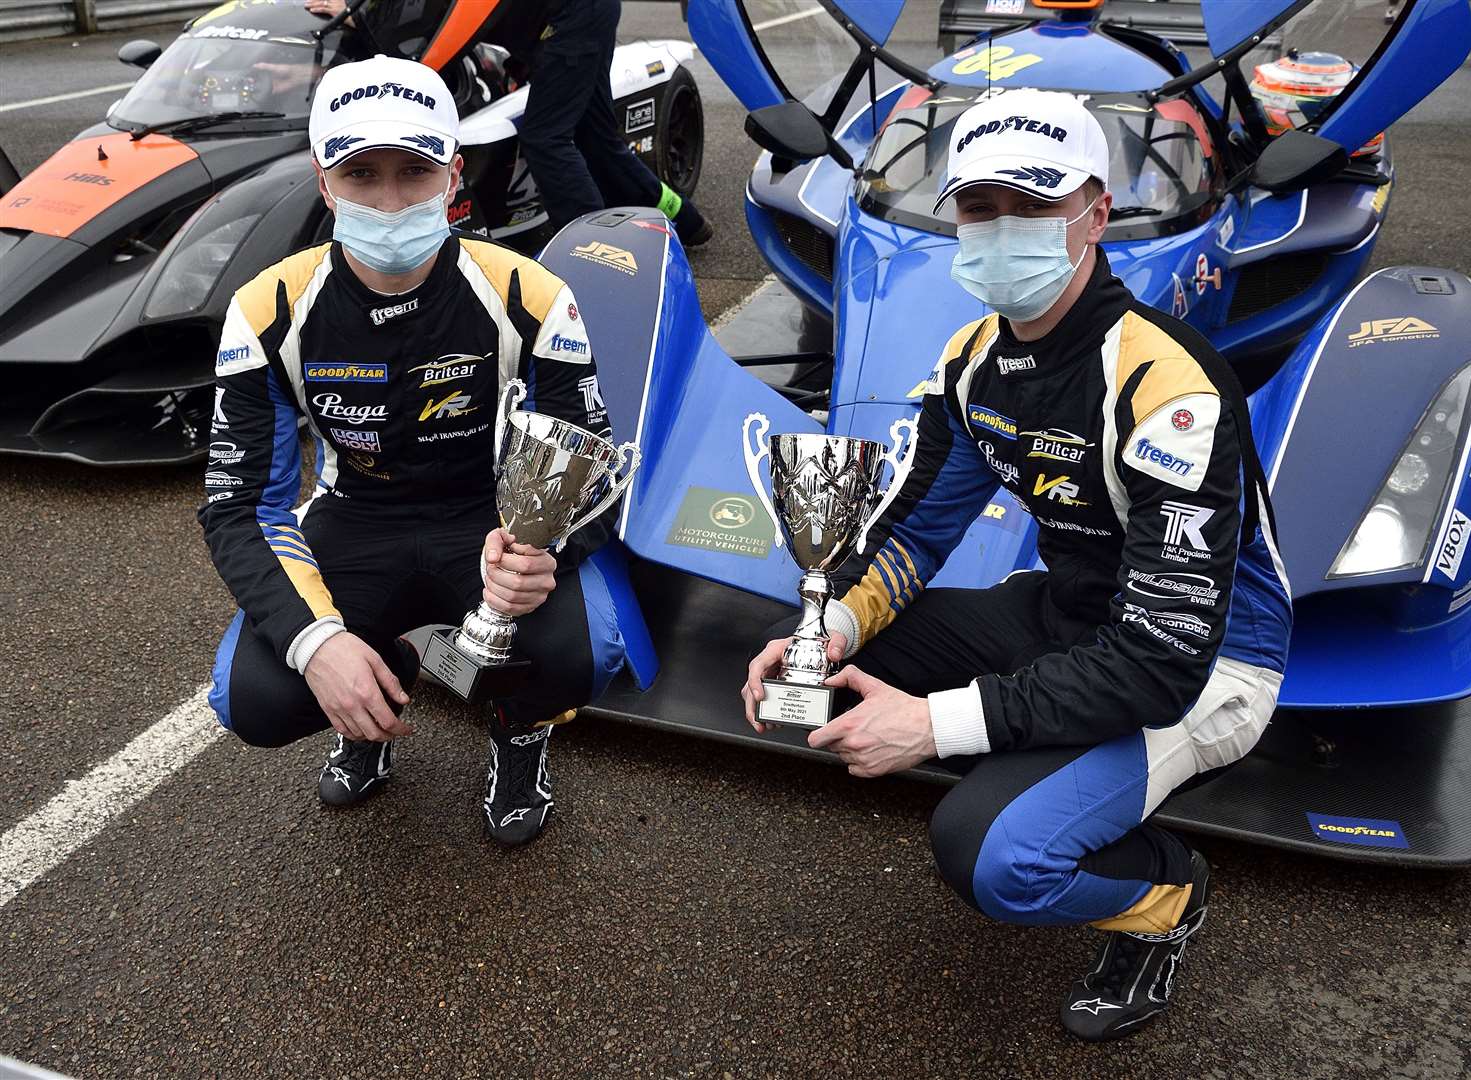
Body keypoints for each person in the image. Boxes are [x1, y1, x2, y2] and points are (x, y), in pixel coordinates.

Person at [741, 88, 1292, 1040]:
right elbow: (913, 536)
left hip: (1206, 667)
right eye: (980, 206)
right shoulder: (970, 360)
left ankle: (1166, 896)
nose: (1002, 230)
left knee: (993, 859)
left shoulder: (1166, 384)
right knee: (814, 685)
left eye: (1033, 206)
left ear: (1094, 215)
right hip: (1068, 615)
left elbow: (1161, 662)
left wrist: (935, 726)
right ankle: (1049, 764)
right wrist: (823, 627)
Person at [200, 56, 627, 847]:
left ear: (454, 175)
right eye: (361, 173)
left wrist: (548, 551)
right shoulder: (267, 307)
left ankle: (519, 730)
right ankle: (366, 711)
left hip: (491, 523)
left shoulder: (530, 292)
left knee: (580, 653)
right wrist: (319, 644)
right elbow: (238, 503)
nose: (390, 201)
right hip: (354, 520)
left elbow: (594, 464)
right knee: (257, 697)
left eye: (415, 171)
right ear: (324, 182)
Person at [495, 0, 712, 245]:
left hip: (570, 17)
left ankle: (595, 250)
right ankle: (686, 219)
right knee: (599, 141)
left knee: (546, 137)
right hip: (587, 13)